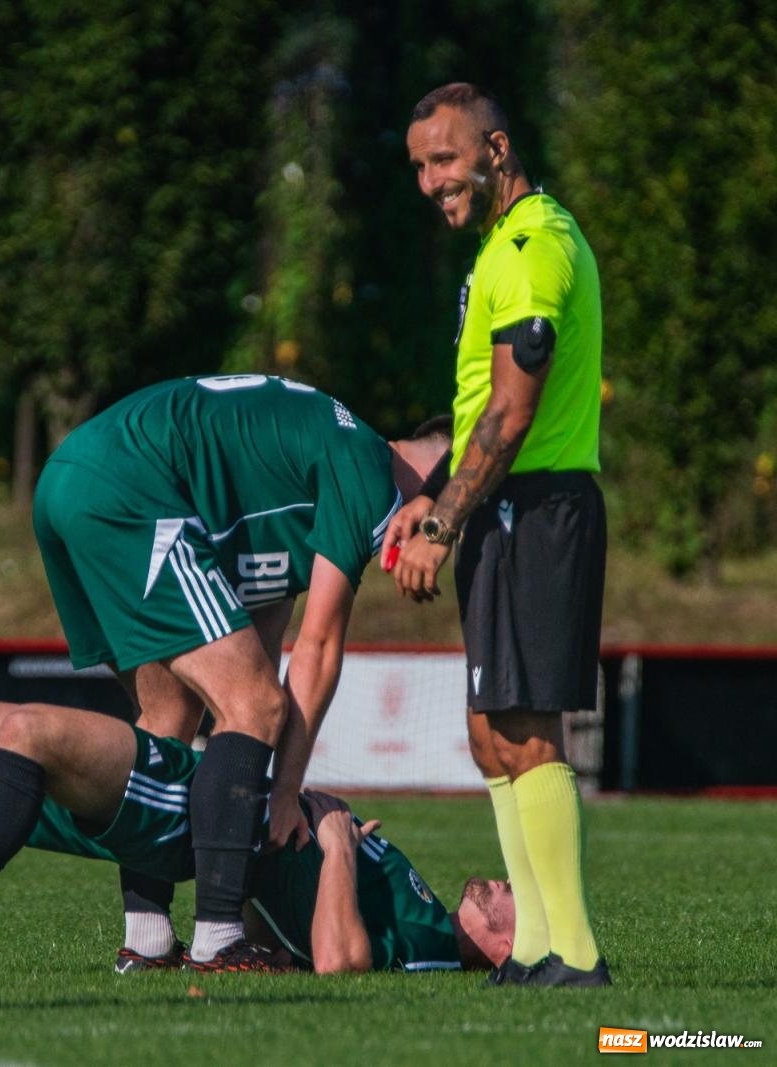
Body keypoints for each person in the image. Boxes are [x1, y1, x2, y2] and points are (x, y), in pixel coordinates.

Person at [36, 374, 447, 971]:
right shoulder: (367, 469)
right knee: (254, 704)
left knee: (169, 718)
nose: (434, 548)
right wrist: (283, 794)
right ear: (439, 475)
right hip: (128, 484)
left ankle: (147, 940)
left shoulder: (295, 483)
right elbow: (320, 647)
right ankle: (219, 937)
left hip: (73, 474)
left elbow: (267, 638)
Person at [0, 698, 517, 975]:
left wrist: (338, 846)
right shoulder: (430, 910)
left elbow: (341, 960)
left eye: (518, 901)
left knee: (32, 730)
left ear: (508, 949)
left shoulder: (428, 950)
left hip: (192, 812)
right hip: (214, 799)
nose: (507, 884)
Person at [384, 83, 609, 987]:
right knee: (489, 729)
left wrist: (442, 520)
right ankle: (528, 946)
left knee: (525, 724)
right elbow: (478, 406)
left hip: (540, 505)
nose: (433, 180)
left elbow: (513, 414)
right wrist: (432, 489)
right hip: (503, 506)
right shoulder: (496, 250)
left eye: (445, 158)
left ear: (497, 149)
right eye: (420, 166)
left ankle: (576, 954)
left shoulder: (532, 246)